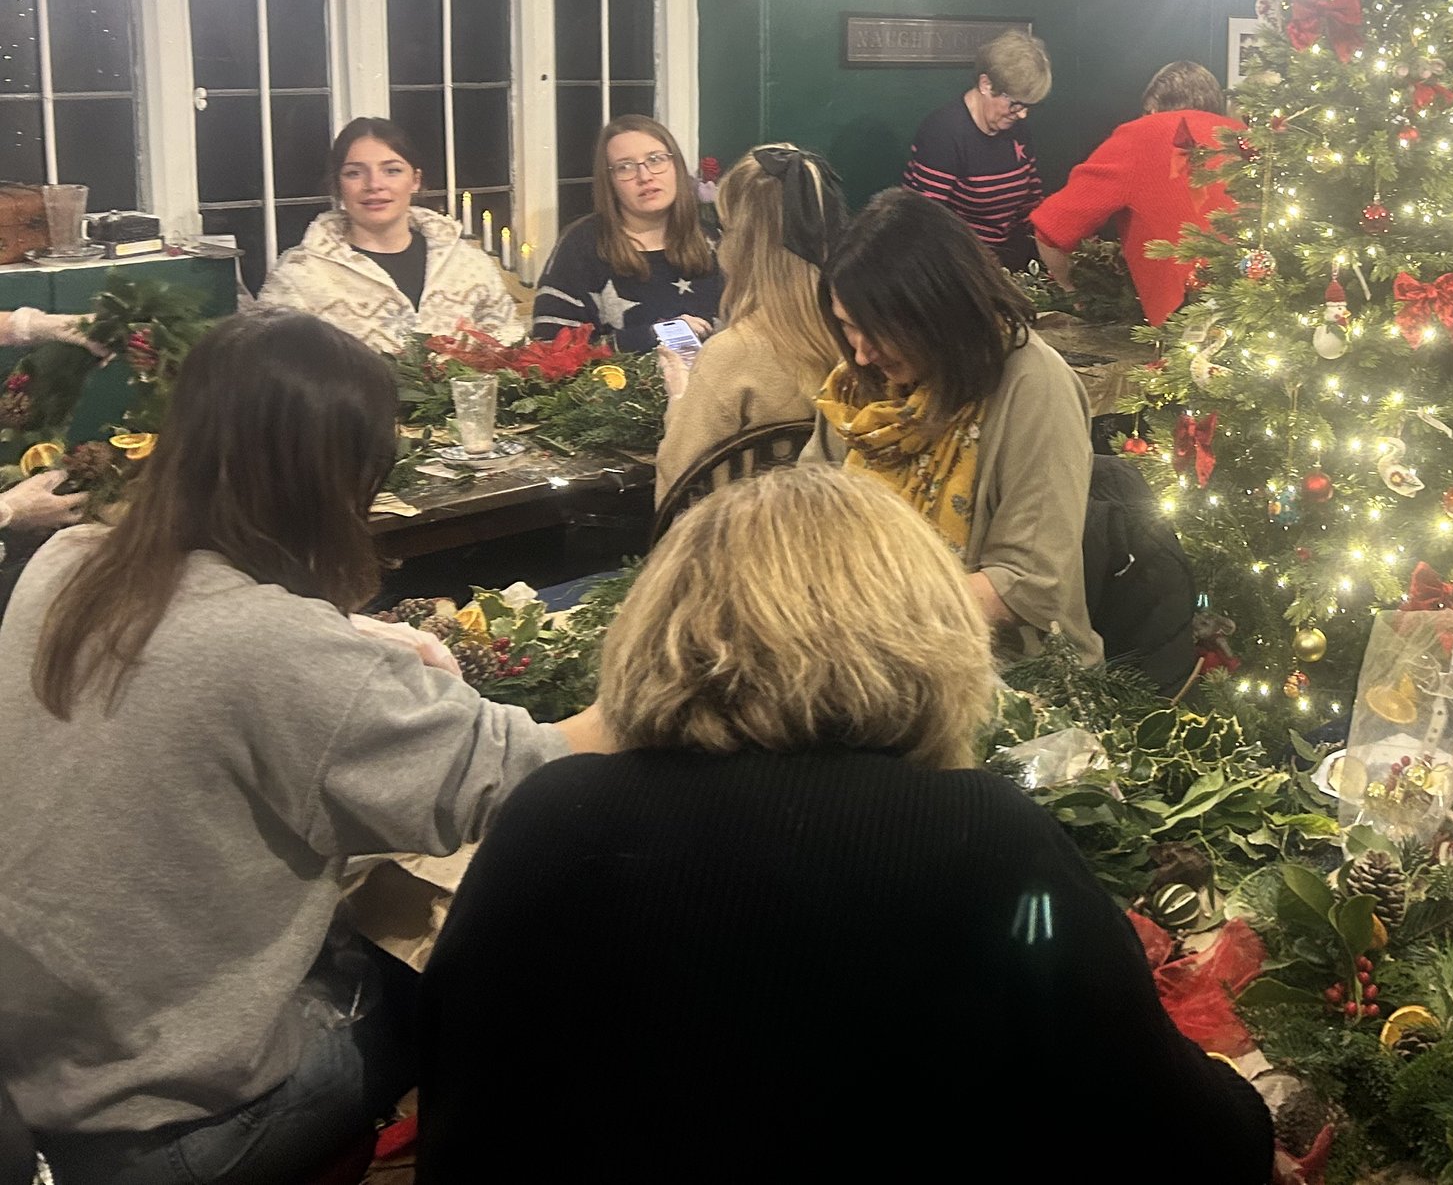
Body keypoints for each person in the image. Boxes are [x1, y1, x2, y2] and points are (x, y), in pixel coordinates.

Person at [417, 464, 1274, 1183]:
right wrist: (1242, 1091)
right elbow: (1177, 1138)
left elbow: (465, 1111)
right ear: (923, 635)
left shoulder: (550, 816)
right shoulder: (980, 840)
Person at [0, 312, 607, 1185]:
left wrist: (346, 641)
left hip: (37, 1068)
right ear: (335, 476)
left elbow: (211, 656)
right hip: (175, 1121)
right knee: (475, 965)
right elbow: (534, 771)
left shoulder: (67, 560)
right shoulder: (280, 651)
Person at [812, 189, 1098, 663]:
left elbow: (1027, 583)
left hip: (1007, 669)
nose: (861, 352)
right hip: (861, 647)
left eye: (878, 329)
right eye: (847, 325)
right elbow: (806, 516)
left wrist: (866, 614)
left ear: (940, 311)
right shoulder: (858, 386)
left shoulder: (1035, 386)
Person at [653, 145, 847, 500]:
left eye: (725, 229)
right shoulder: (860, 339)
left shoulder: (732, 354)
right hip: (839, 522)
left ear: (742, 245)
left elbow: (679, 486)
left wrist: (680, 395)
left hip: (746, 531)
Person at [255, 116, 519, 354]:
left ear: (415, 180)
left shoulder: (468, 264)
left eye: (392, 170)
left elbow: (513, 348)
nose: (374, 185)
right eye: (354, 173)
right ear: (337, 185)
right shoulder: (299, 275)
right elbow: (272, 370)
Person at [1029, 60, 1242, 326]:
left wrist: (1071, 291)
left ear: (1152, 109)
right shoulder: (1245, 140)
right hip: (1264, 307)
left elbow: (1050, 228)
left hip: (1187, 321)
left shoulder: (1142, 134)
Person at [532, 115, 722, 353]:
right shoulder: (581, 245)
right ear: (610, 182)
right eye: (625, 167)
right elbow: (550, 348)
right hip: (619, 378)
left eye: (655, 160)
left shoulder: (714, 240)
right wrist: (654, 336)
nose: (645, 176)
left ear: (676, 166)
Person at [904, 29, 1051, 269]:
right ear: (986, 84)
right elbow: (923, 224)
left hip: (1008, 260)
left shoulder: (1017, 128)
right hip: (959, 265)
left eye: (1028, 106)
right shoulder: (944, 132)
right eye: (1015, 104)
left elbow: (1031, 201)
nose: (1022, 114)